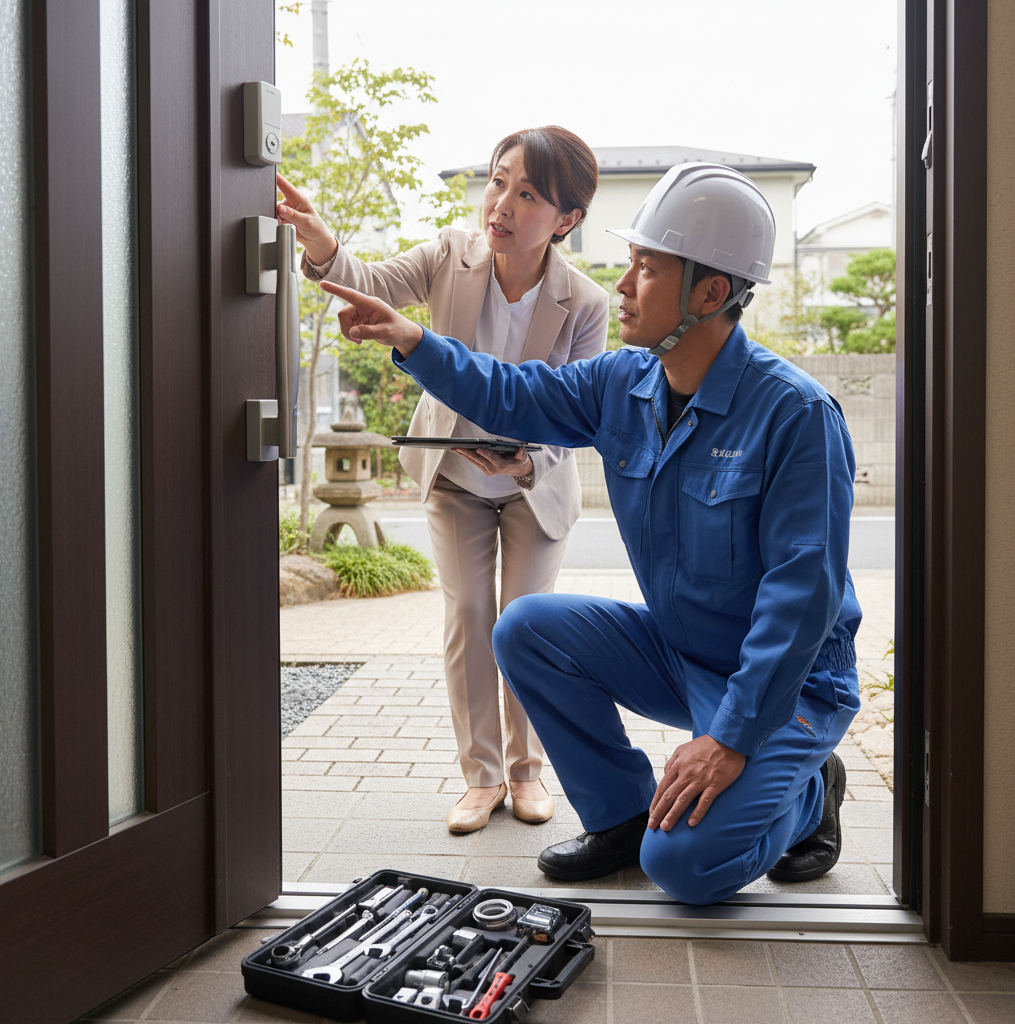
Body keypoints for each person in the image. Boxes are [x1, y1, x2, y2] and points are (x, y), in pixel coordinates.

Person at [318, 162, 863, 905]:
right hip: (681, 651)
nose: (624, 283)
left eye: (647, 267)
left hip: (787, 679)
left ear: (710, 293)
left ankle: (807, 795)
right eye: (630, 262)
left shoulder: (796, 415)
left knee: (686, 868)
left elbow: (803, 596)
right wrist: (413, 339)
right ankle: (622, 815)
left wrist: (730, 739)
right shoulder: (622, 384)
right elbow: (510, 391)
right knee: (527, 626)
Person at [276, 127, 608, 833]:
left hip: (533, 488)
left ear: (567, 219)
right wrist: (320, 242)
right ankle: (481, 777)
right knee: (467, 620)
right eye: (497, 181)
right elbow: (368, 283)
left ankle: (527, 771)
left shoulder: (584, 303)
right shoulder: (444, 257)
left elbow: (579, 415)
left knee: (528, 626)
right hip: (454, 475)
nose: (502, 204)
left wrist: (522, 461)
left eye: (527, 193)